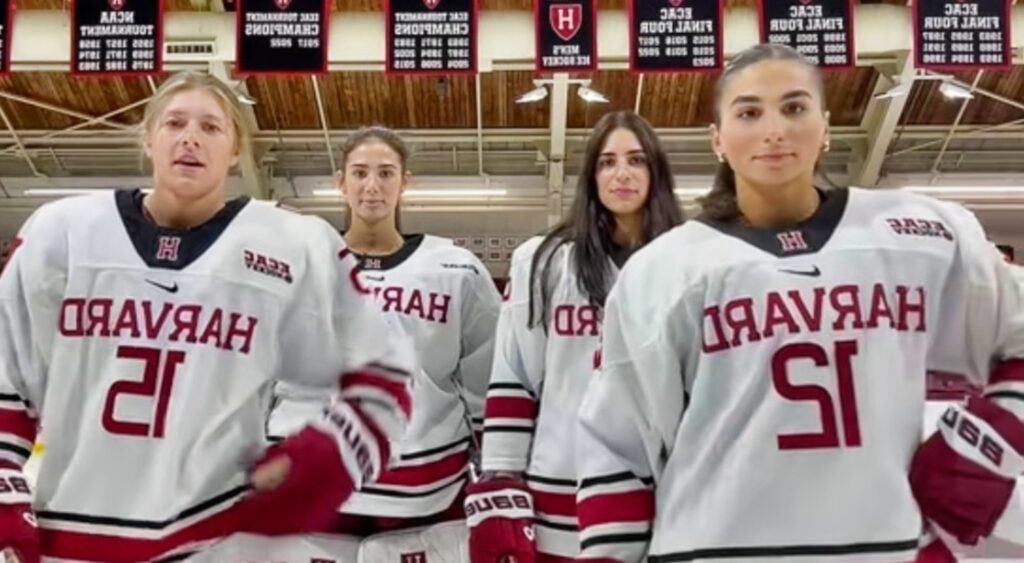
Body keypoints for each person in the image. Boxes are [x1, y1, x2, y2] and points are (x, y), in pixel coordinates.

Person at [573, 43, 1024, 563]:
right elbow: (616, 441)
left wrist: (989, 440)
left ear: (826, 126)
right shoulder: (662, 269)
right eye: (749, 112)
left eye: (794, 107)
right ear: (717, 138)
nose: (774, 130)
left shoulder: (921, 233)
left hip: (884, 547)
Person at [0, 72, 415, 563]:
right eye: (174, 122)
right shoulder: (62, 232)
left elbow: (384, 370)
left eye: (212, 127)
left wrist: (334, 454)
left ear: (236, 149)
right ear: (149, 138)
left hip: (219, 531)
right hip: (70, 527)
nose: (190, 137)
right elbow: (10, 372)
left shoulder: (293, 243)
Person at [469, 111, 683, 561]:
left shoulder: (689, 263)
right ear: (590, 176)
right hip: (559, 490)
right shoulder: (544, 260)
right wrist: (502, 481)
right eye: (607, 162)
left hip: (666, 492)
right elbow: (514, 376)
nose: (621, 173)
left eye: (636, 160)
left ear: (656, 172)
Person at [268, 126, 501, 532]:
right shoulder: (298, 265)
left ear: (404, 182)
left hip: (423, 485)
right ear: (340, 182)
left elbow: (487, 381)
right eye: (359, 173)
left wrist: (499, 466)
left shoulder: (455, 267)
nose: (372, 186)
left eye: (386, 173)